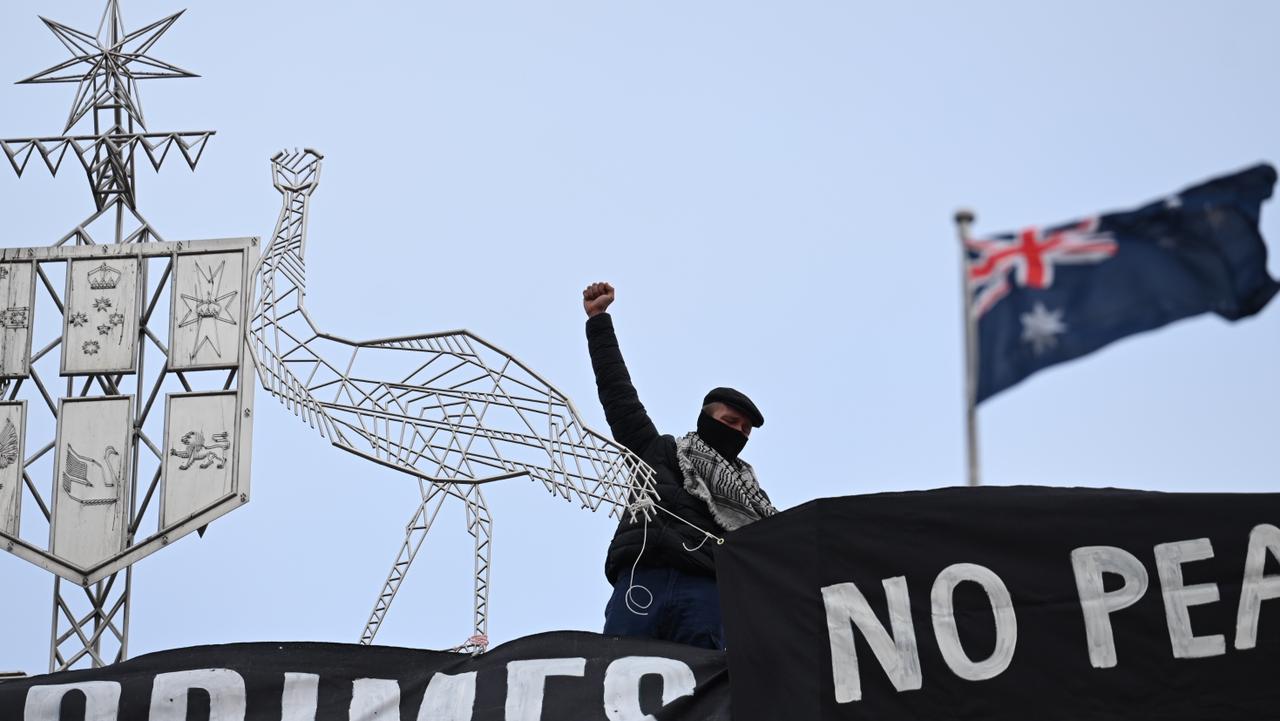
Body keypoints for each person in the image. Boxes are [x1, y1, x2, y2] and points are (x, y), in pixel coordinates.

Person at [582, 281, 777, 650]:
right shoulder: (660, 452)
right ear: (706, 419)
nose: (738, 432)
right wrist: (599, 321)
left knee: (701, 693)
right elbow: (619, 396)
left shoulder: (751, 497)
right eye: (730, 421)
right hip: (643, 580)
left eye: (745, 430)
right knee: (618, 677)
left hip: (708, 591)